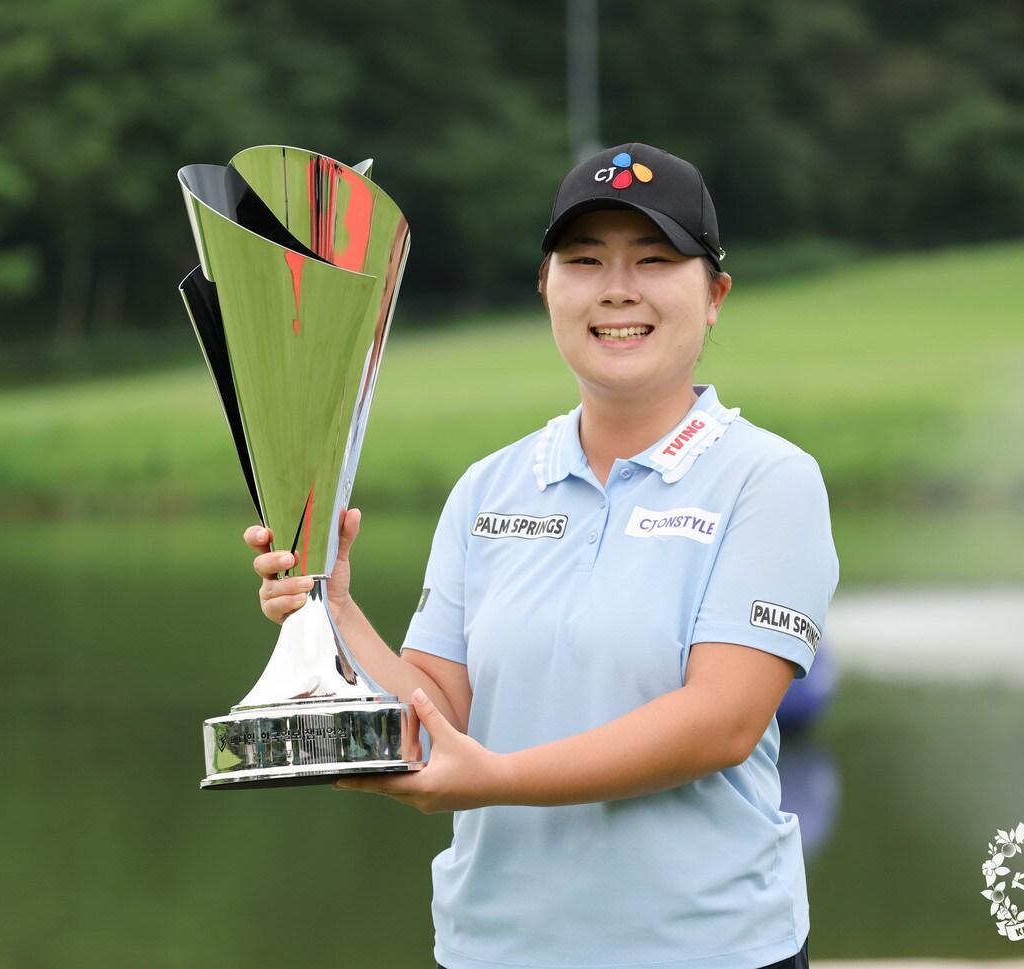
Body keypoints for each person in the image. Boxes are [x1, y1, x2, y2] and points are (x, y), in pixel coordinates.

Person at [244, 142, 837, 969]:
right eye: (585, 259)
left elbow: (721, 722)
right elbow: (436, 713)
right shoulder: (489, 488)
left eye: (656, 260)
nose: (617, 287)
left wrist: (497, 777)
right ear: (546, 287)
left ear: (715, 297)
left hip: (707, 950)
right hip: (494, 948)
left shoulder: (768, 479)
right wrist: (335, 608)